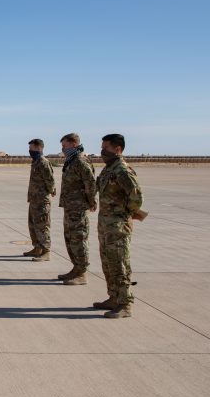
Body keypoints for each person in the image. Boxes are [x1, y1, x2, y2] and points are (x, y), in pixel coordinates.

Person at [95, 134, 146, 318]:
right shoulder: (108, 169)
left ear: (117, 149)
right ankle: (114, 297)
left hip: (118, 226)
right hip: (106, 225)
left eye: (105, 147)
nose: (102, 151)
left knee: (120, 265)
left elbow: (136, 199)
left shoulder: (123, 170)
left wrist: (123, 214)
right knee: (108, 263)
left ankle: (125, 304)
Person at [56, 133, 97, 285]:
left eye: (64, 145)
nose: (62, 148)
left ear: (73, 144)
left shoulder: (80, 161)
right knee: (70, 239)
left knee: (79, 239)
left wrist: (92, 202)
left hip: (79, 208)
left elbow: (91, 184)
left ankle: (82, 273)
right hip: (70, 207)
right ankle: (76, 268)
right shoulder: (71, 160)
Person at [24, 138, 55, 262]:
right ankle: (37, 248)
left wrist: (48, 193)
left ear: (38, 147)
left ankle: (46, 251)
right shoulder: (36, 162)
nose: (29, 150)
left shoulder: (43, 162)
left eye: (31, 148)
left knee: (42, 226)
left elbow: (50, 181)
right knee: (33, 225)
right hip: (34, 199)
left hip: (42, 200)